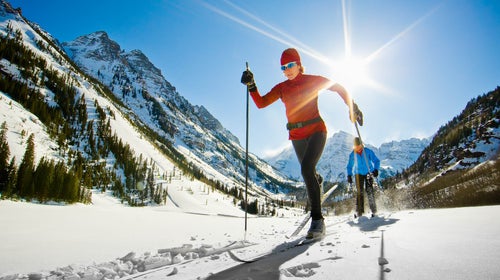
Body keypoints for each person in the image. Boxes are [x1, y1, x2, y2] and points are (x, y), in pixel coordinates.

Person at [241, 48, 363, 239]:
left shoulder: (312, 80)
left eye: (290, 65)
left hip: (316, 131)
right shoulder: (282, 88)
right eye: (283, 67)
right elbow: (261, 103)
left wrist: (352, 106)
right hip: (296, 136)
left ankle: (318, 221)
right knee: (310, 171)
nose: (287, 70)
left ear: (298, 64)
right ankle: (318, 181)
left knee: (306, 169)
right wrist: (252, 85)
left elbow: (338, 86)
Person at [346, 137, 380, 218]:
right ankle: (359, 211)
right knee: (359, 192)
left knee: (369, 190)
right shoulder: (352, 154)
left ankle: (374, 210)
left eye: (358, 146)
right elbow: (349, 166)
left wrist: (376, 170)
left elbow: (376, 161)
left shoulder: (367, 151)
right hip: (358, 174)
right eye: (355, 146)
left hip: (369, 172)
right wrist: (349, 175)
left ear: (361, 144)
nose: (357, 148)